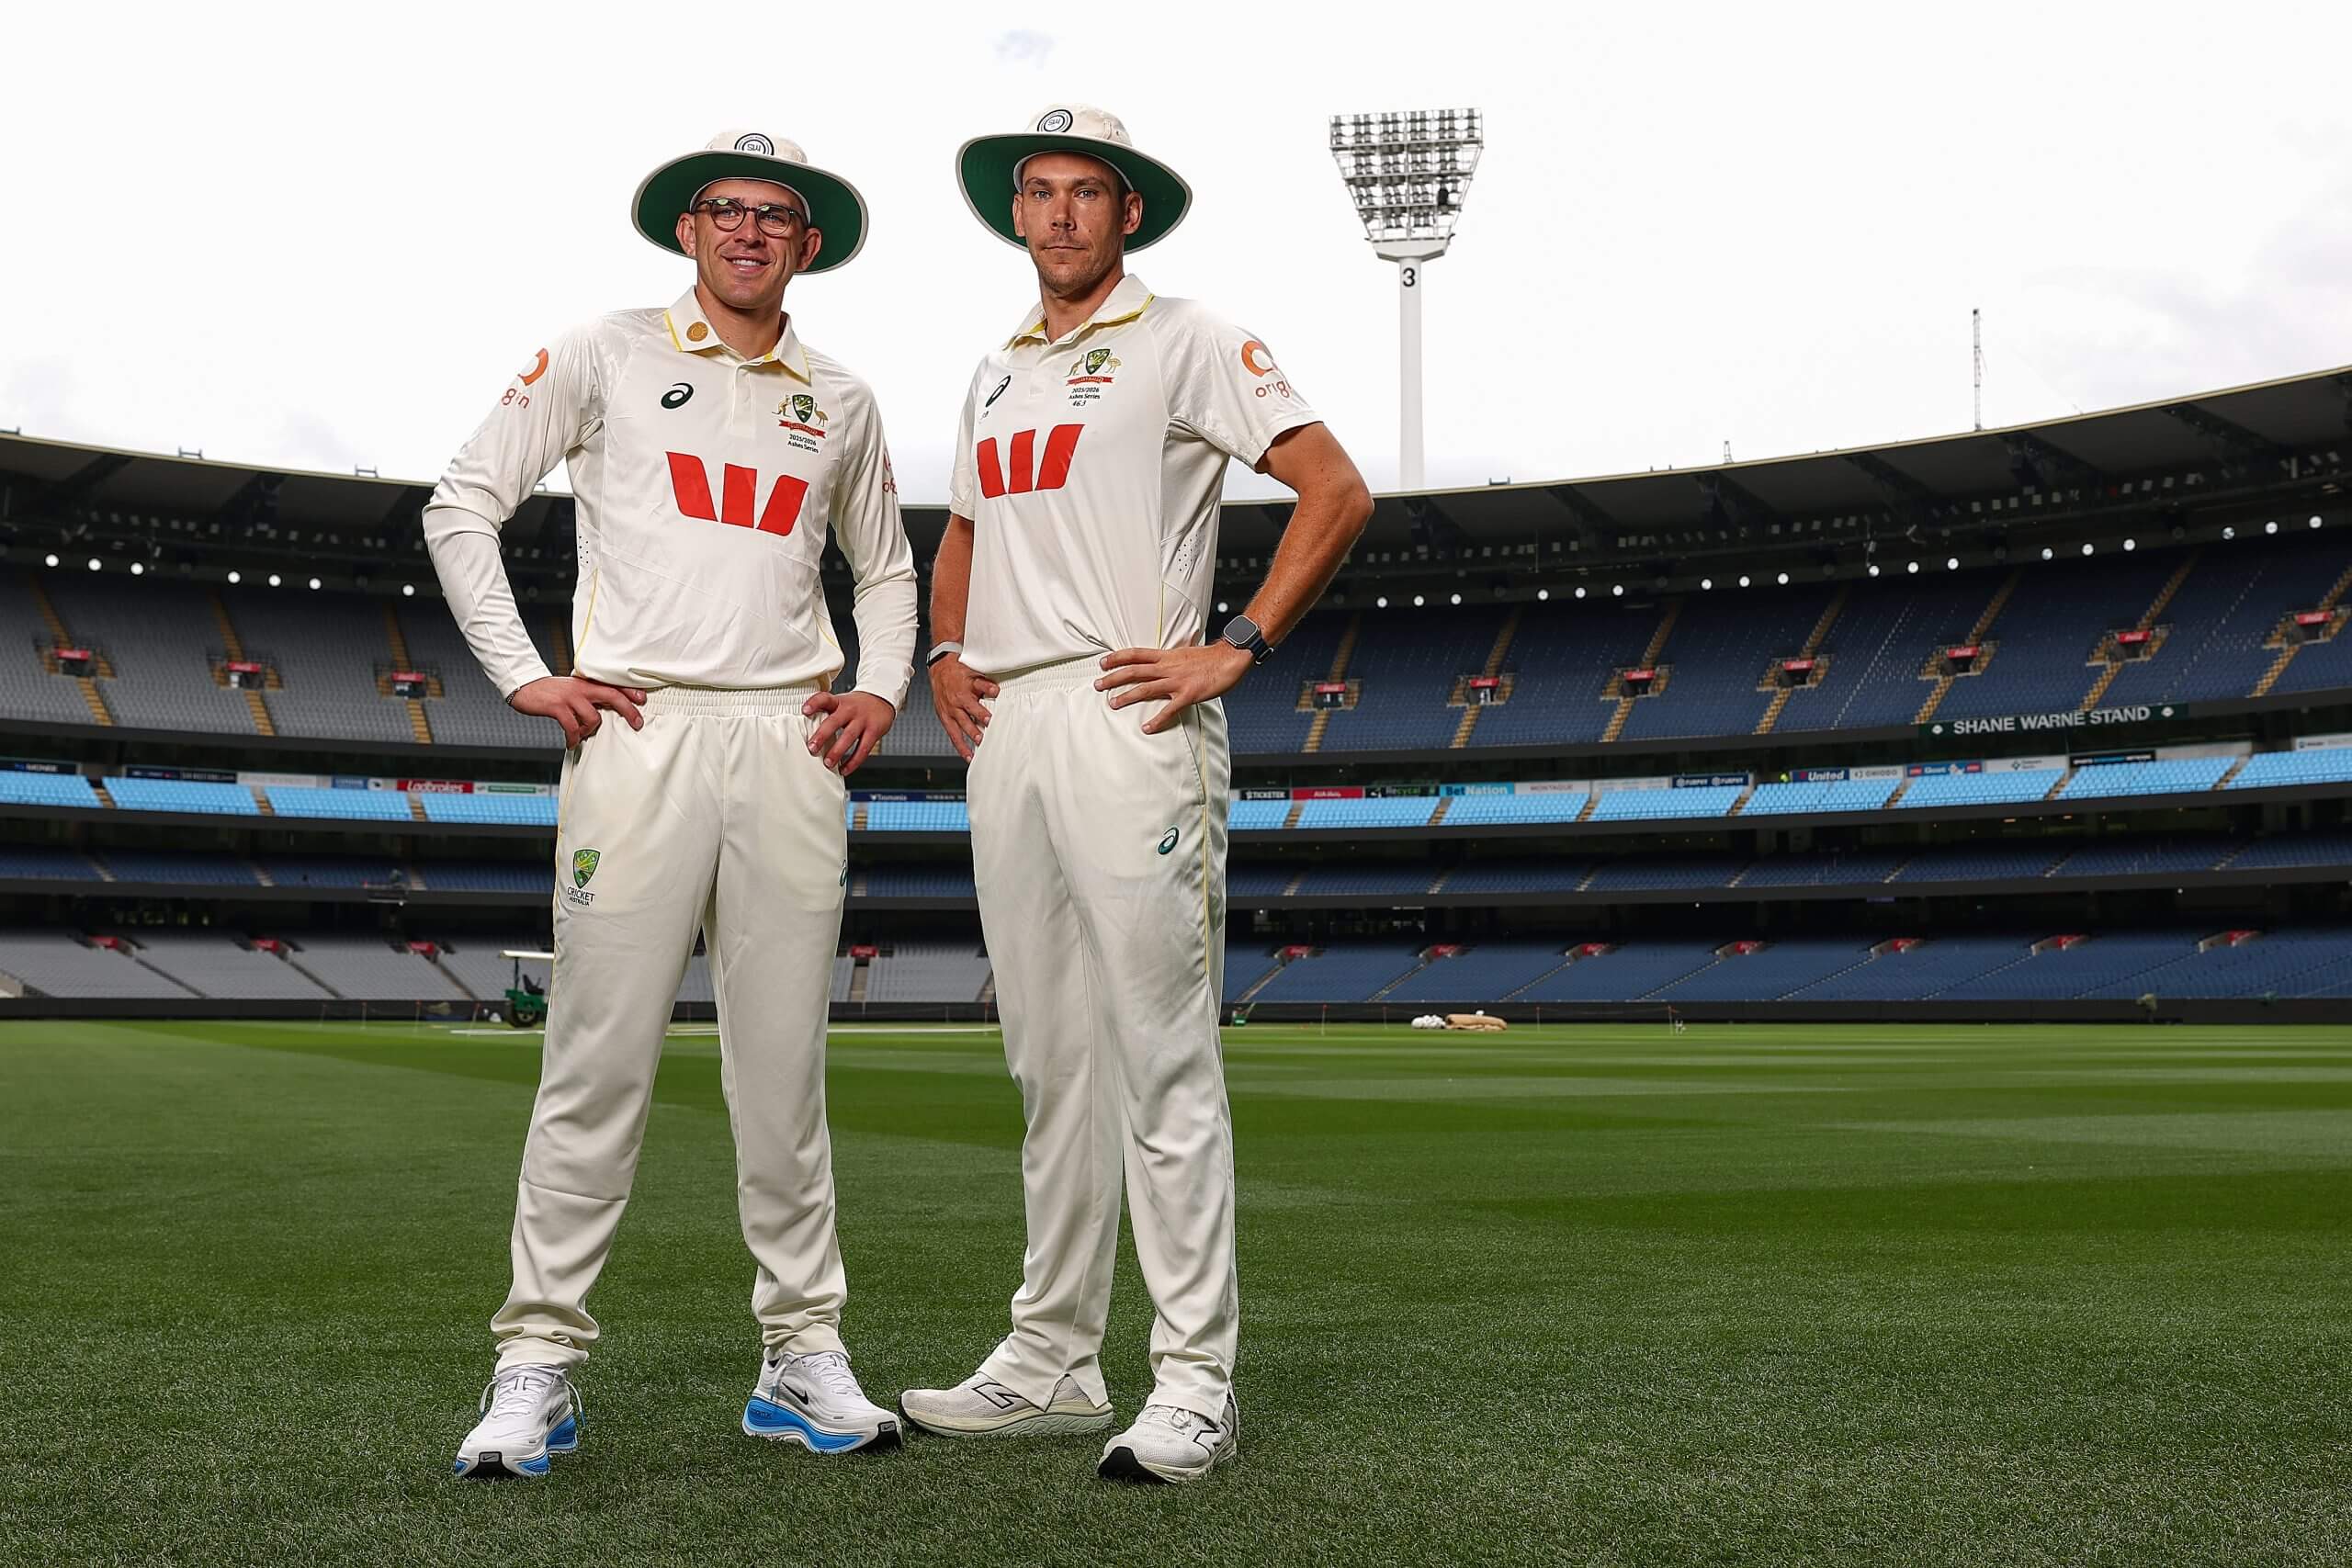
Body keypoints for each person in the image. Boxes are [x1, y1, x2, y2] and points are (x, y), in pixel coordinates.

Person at [425, 130, 917, 1477]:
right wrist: (529, 678)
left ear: (809, 245)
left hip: (787, 745)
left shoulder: (846, 398)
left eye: (778, 216)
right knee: (594, 1065)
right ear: (687, 231)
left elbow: (884, 569)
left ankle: (800, 1356)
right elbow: (461, 504)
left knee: (784, 1073)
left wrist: (880, 686)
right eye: (726, 211)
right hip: (638, 731)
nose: (751, 232)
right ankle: (536, 1366)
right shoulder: (603, 350)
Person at [899, 104, 1373, 1483]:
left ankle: (1194, 1379)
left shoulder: (1189, 338)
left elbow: (1333, 490)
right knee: (1050, 1063)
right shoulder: (993, 374)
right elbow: (964, 533)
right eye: (1036, 193)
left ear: (1130, 216)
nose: (1056, 214)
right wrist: (943, 650)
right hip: (1013, 723)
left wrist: (1240, 646)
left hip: (1131, 708)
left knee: (1162, 1062)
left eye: (1083, 193)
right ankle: (1051, 1357)